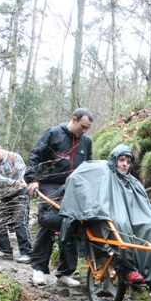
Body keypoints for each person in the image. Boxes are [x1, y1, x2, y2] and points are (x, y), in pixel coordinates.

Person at [60, 144, 151, 287]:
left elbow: (143, 206)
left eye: (128, 161)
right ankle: (129, 270)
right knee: (119, 224)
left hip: (131, 219)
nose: (125, 164)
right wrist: (91, 207)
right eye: (121, 160)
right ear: (114, 159)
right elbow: (76, 178)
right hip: (104, 220)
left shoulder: (133, 182)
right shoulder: (101, 170)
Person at [24, 108, 93, 286]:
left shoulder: (86, 142)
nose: (84, 131)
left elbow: (88, 168)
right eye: (82, 126)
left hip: (73, 188)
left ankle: (65, 272)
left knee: (72, 225)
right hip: (51, 185)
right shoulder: (53, 134)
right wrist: (31, 180)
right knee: (49, 222)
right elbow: (35, 155)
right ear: (74, 119)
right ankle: (38, 269)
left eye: (87, 128)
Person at [0, 139, 33, 263]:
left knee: (20, 221)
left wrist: (18, 182)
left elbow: (22, 172)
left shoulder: (14, 157)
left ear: (0, 148)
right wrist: (12, 182)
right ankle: (5, 250)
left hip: (20, 194)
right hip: (3, 196)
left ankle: (26, 252)